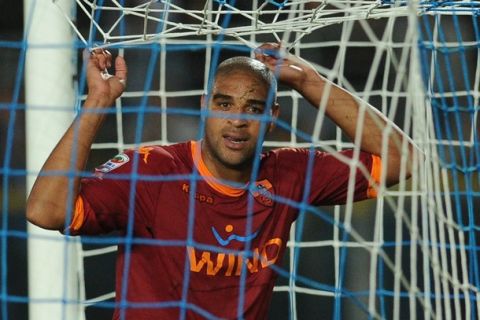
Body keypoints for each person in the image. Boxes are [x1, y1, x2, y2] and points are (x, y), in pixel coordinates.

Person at [26, 43, 413, 319]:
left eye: (253, 108)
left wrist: (308, 81)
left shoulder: (289, 174)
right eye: (224, 104)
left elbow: (402, 159)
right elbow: (45, 211)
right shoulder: (152, 171)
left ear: (272, 116)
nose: (237, 120)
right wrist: (98, 102)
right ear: (205, 105)